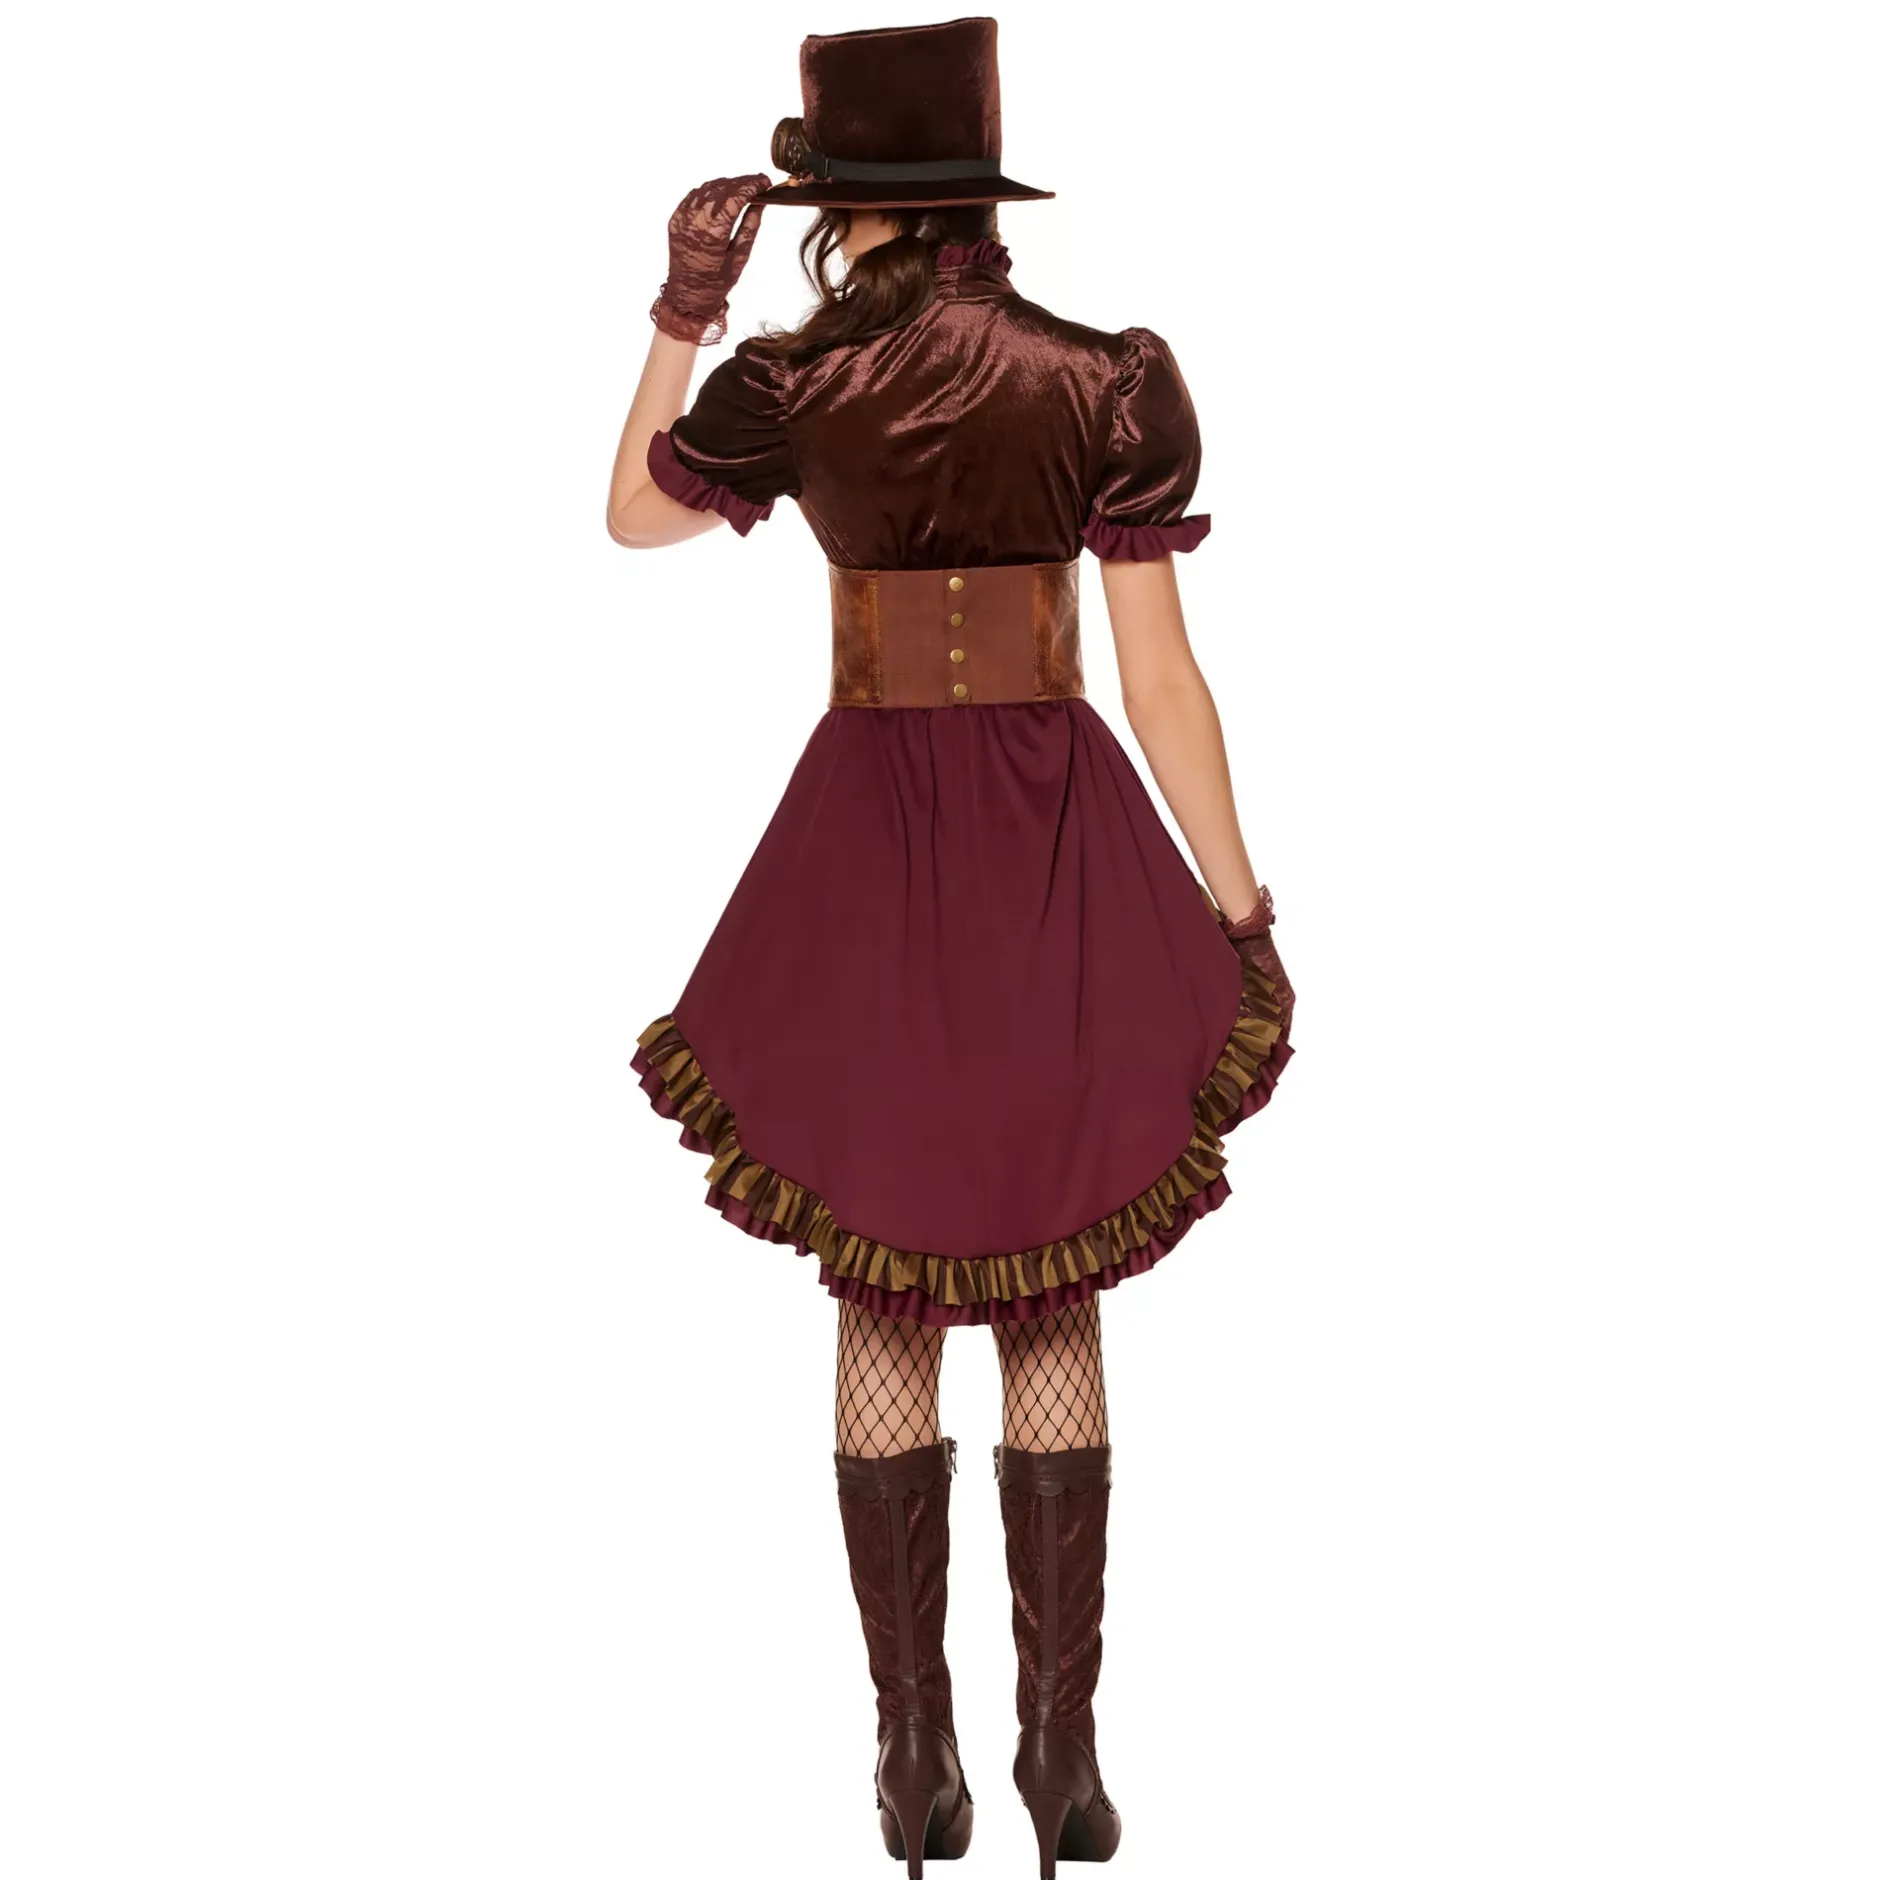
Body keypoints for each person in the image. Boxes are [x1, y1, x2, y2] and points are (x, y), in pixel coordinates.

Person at [604, 19, 1294, 1877]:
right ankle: (1064, 1760)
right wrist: (1240, 908)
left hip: (871, 840)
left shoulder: (796, 377)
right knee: (1053, 1284)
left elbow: (632, 515)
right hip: (1053, 829)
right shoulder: (1109, 379)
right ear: (980, 194)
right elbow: (1162, 675)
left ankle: (913, 1761)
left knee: (884, 1284)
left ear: (845, 206)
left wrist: (682, 308)